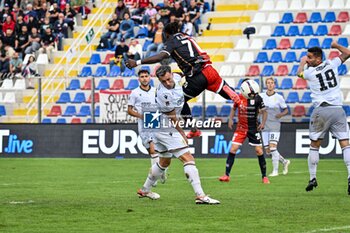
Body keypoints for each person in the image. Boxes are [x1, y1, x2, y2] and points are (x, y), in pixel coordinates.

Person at [125, 22, 241, 138]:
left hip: (197, 77)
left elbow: (161, 56)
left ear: (166, 34)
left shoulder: (172, 41)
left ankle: (193, 129)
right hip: (210, 71)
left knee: (180, 100)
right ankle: (248, 103)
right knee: (234, 97)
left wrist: (137, 62)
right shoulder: (186, 36)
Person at [137, 65, 220, 204]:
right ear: (159, 81)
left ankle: (145, 190)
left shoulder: (175, 77)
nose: (167, 83)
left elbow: (180, 73)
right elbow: (172, 117)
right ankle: (200, 195)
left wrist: (189, 72)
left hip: (157, 126)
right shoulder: (164, 94)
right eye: (163, 81)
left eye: (169, 79)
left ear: (171, 74)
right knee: (188, 158)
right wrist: (182, 133)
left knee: (164, 161)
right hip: (165, 125)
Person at [297, 42, 350, 195]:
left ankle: (313, 177)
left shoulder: (309, 73)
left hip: (321, 111)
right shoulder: (332, 64)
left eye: (310, 58)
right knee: (345, 144)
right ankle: (349, 175)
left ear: (318, 59)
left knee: (314, 145)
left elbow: (299, 74)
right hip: (338, 110)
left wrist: (301, 64)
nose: (307, 60)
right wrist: (336, 45)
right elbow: (347, 53)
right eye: (307, 57)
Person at [219, 79, 270, 184]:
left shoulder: (258, 98)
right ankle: (226, 175)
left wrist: (263, 123)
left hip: (253, 129)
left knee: (259, 151)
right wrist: (230, 119)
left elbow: (264, 112)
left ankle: (264, 176)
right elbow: (234, 108)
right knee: (233, 149)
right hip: (241, 128)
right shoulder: (238, 97)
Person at [128, 69, 167, 186]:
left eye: (146, 76)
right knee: (151, 150)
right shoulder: (134, 93)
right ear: (139, 79)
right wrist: (141, 116)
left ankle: (156, 175)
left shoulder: (156, 91)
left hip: (156, 120)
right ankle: (159, 172)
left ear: (150, 77)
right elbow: (129, 110)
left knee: (155, 149)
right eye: (142, 76)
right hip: (144, 123)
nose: (144, 78)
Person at [260, 77, 290, 177]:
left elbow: (286, 110)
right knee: (268, 151)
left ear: (274, 85)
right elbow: (257, 108)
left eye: (272, 83)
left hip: (275, 125)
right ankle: (284, 161)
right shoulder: (261, 96)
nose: (270, 85)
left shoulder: (279, 97)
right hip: (264, 125)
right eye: (268, 83)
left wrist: (281, 114)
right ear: (266, 85)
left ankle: (275, 171)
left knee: (273, 148)